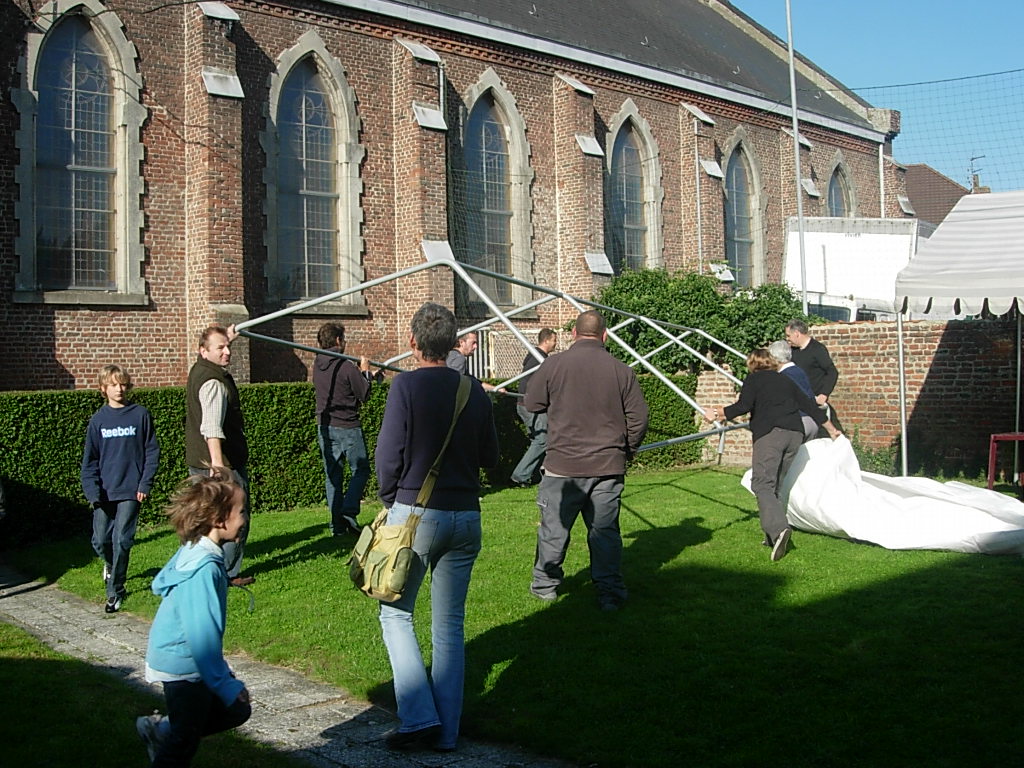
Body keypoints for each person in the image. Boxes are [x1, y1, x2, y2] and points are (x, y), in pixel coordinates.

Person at [375, 302, 499, 753]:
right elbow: (491, 457)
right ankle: (446, 734)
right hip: (465, 515)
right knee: (449, 626)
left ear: (413, 342)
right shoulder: (473, 389)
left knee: (395, 613)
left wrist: (391, 499)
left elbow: (388, 456)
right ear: (452, 344)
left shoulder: (405, 386)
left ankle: (417, 717)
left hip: (416, 512)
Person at [524, 310, 649, 611]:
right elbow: (640, 417)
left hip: (562, 466)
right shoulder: (621, 370)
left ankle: (545, 587)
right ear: (605, 335)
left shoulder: (554, 364)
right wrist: (628, 449)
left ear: (573, 334)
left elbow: (532, 402)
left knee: (554, 530)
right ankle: (609, 593)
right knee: (605, 533)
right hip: (607, 466)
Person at [137, 470, 252, 767]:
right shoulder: (204, 570)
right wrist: (225, 683)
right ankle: (163, 733)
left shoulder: (195, 548)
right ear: (220, 520)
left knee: (235, 711)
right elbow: (203, 638)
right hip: (183, 664)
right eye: (241, 511)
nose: (244, 519)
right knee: (182, 745)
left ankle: (161, 730)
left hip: (182, 660)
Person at [702, 348, 840, 561]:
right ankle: (771, 537)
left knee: (762, 484)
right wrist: (832, 430)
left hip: (771, 434)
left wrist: (717, 413)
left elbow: (743, 406)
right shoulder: (785, 380)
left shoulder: (754, 380)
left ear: (752, 364)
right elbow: (810, 406)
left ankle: (779, 530)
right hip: (795, 434)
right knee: (774, 485)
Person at [80, 364, 161, 613]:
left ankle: (115, 591)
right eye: (113, 385)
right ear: (103, 389)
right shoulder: (98, 421)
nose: (119, 389)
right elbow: (90, 461)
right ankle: (110, 565)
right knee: (100, 540)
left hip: (131, 490)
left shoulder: (140, 415)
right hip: (105, 491)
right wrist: (93, 492)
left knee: (122, 540)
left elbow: (152, 451)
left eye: (123, 384)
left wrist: (144, 483)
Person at [185, 325, 253, 587]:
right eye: (221, 348)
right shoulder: (213, 382)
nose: (227, 352)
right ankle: (226, 574)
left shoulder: (200, 369)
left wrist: (227, 338)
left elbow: (212, 348)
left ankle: (200, 569)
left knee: (204, 519)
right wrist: (218, 466)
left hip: (198, 462)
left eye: (228, 347)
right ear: (204, 351)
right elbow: (212, 428)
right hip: (219, 464)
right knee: (234, 517)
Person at [313, 322, 373, 536]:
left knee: (333, 476)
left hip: (325, 426)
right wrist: (365, 372)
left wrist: (366, 376)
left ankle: (336, 526)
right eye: (344, 339)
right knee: (361, 469)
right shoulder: (346, 366)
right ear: (338, 340)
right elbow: (364, 394)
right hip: (348, 426)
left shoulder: (317, 364)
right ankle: (348, 511)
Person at [510, 328, 557, 486]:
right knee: (542, 440)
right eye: (554, 340)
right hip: (530, 405)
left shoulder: (536, 357)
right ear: (546, 341)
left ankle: (536, 475)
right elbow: (532, 383)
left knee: (541, 440)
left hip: (527, 404)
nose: (555, 344)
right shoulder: (538, 359)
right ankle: (520, 475)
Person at [786, 319, 843, 436]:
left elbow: (832, 372)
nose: (787, 339)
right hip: (797, 402)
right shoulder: (793, 351)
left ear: (797, 333)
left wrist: (824, 394)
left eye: (788, 336)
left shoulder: (817, 349)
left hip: (814, 401)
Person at [767, 340, 818, 442]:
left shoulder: (783, 376)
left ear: (775, 358)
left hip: (797, 422)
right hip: (811, 420)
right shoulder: (799, 371)